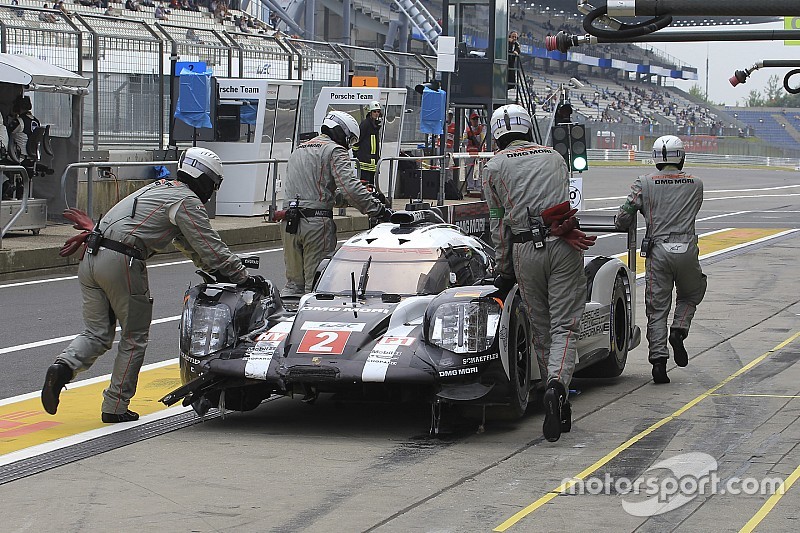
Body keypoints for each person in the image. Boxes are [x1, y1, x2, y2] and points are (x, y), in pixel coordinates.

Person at [41, 148, 258, 423]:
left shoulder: (158, 188)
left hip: (91, 254)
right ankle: (115, 406)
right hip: (122, 260)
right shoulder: (186, 200)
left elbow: (189, 245)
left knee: (96, 332)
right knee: (134, 336)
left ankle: (62, 367)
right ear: (205, 179)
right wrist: (242, 276)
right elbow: (210, 247)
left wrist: (214, 268)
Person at [483, 104, 596, 443]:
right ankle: (557, 386)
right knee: (566, 326)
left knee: (542, 328)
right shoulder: (554, 157)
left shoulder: (493, 167)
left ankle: (551, 385)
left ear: (498, 134)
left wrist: (504, 270)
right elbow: (564, 199)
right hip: (563, 245)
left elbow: (498, 222)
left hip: (523, 250)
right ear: (528, 128)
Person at [615, 135, 706, 384]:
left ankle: (658, 362)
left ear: (655, 159)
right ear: (682, 157)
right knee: (691, 293)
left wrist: (621, 221)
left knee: (656, 309)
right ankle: (679, 329)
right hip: (687, 248)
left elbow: (625, 215)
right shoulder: (696, 183)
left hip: (658, 250)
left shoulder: (643, 183)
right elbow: (694, 207)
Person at [280, 111, 391, 297]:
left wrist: (346, 198)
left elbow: (318, 193)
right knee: (317, 285)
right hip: (316, 225)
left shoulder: (299, 149)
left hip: (289, 223)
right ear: (341, 132)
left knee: (293, 286)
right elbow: (350, 188)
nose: (348, 146)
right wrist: (378, 209)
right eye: (349, 140)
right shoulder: (334, 150)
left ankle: (287, 322)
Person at [353, 101, 382, 186]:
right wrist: (356, 153)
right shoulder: (365, 124)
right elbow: (357, 140)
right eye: (374, 111)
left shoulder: (375, 126)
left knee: (372, 185)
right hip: (364, 161)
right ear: (370, 112)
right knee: (365, 185)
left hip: (373, 161)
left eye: (378, 111)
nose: (376, 113)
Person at [463, 112, 484, 194]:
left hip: (478, 151)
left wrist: (476, 139)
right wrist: (470, 139)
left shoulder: (481, 129)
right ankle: (470, 186)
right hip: (470, 151)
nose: (475, 121)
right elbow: (464, 141)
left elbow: (482, 140)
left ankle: (479, 186)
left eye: (476, 119)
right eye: (474, 119)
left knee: (480, 170)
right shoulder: (467, 130)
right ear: (471, 120)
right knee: (469, 170)